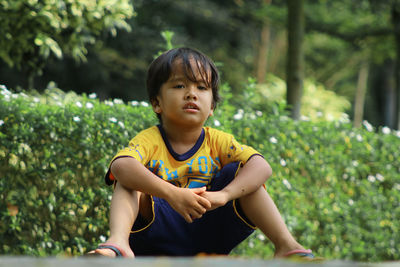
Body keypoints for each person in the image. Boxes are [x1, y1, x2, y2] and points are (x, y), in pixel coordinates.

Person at [88, 47, 315, 259]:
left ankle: (286, 246)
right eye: (179, 86)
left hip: (210, 230)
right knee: (130, 176)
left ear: (212, 106)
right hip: (156, 236)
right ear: (157, 103)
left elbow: (262, 167)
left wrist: (224, 195)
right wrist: (172, 194)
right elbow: (121, 167)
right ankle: (118, 244)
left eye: (202, 87)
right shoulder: (150, 140)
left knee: (242, 171)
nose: (191, 94)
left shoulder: (218, 141)